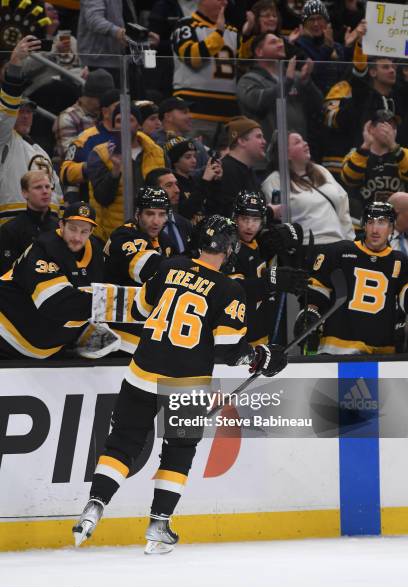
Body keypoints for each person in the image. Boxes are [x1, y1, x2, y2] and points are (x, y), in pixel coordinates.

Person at [73, 214, 288, 553]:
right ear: (230, 248)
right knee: (178, 451)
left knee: (122, 445)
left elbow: (143, 307)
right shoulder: (230, 289)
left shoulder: (169, 266)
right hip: (187, 384)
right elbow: (229, 350)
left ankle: (94, 505)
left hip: (141, 372)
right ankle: (159, 525)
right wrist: (262, 357)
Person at [0, 203, 124, 359]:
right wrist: (122, 304)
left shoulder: (96, 252)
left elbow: (88, 296)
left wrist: (94, 326)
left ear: (91, 232)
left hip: (44, 348)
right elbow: (54, 302)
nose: (77, 238)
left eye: (84, 231)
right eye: (73, 229)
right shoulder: (44, 248)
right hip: (5, 333)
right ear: (61, 224)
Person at [295, 202, 408, 355]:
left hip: (381, 352)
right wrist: (310, 313)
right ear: (364, 225)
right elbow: (318, 288)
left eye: (381, 222)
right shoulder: (340, 252)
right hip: (337, 349)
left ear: (391, 227)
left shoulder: (400, 261)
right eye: (370, 222)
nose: (375, 229)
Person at [228, 190, 308, 344]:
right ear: (235, 218)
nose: (250, 226)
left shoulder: (257, 243)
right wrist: (270, 281)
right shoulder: (228, 248)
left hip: (259, 331)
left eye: (255, 220)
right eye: (244, 219)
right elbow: (232, 290)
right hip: (237, 337)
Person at [0, 35, 63, 227]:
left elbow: (56, 192)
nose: (26, 116)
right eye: (21, 111)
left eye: (29, 112)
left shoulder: (39, 150)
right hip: (13, 225)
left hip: (47, 225)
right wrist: (16, 64)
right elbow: (5, 114)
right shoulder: (5, 138)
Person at [103, 186, 174, 353]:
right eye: (150, 214)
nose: (156, 221)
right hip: (116, 327)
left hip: (141, 322)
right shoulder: (123, 235)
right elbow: (148, 270)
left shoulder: (164, 240)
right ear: (137, 214)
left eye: (162, 214)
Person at [87, 103, 165, 242]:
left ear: (139, 125)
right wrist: (116, 169)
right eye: (118, 120)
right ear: (112, 126)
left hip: (151, 232)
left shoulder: (156, 153)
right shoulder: (100, 154)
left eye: (130, 120)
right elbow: (102, 198)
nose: (123, 124)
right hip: (112, 235)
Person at [262, 132, 354, 243]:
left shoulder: (321, 170)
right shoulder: (274, 181)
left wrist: (350, 241)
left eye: (303, 140)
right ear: (285, 154)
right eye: (297, 142)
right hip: (306, 248)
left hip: (339, 244)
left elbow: (343, 206)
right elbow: (277, 222)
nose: (305, 143)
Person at [171, 0, 243, 142]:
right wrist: (218, 34)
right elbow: (192, 58)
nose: (225, 2)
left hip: (229, 115)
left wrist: (249, 33)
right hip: (195, 112)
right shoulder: (186, 25)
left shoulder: (233, 31)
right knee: (193, 160)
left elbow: (244, 65)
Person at [237, 32, 322, 144]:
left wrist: (307, 81)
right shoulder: (248, 80)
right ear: (259, 51)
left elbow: (318, 105)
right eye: (273, 42)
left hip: (296, 149)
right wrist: (287, 83)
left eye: (281, 42)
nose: (281, 45)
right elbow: (258, 103)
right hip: (268, 151)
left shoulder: (295, 76)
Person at [59, 88, 120, 204]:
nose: (125, 111)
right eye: (119, 107)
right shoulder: (86, 138)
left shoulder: (135, 137)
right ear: (106, 112)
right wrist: (92, 167)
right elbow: (65, 172)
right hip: (94, 206)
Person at [342, 110, 408, 215]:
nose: (391, 131)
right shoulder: (357, 154)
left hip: (397, 223)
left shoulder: (403, 153)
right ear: (371, 128)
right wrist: (365, 146)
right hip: (364, 222)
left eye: (394, 127)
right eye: (387, 125)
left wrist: (394, 146)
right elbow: (349, 179)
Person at [206, 116, 267, 218]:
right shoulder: (224, 170)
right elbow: (231, 213)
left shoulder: (248, 170)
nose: (264, 141)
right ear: (242, 141)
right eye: (258, 136)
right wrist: (270, 212)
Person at [0, 171, 59, 275]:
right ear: (25, 193)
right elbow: (7, 273)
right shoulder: (10, 230)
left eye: (47, 186)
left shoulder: (60, 227)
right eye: (38, 187)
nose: (45, 191)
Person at [53, 69, 115, 159]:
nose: (104, 104)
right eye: (101, 100)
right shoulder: (68, 118)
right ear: (88, 96)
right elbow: (70, 156)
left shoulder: (108, 115)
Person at [163, 136, 223, 221]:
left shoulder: (195, 181)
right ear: (175, 161)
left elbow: (214, 210)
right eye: (188, 157)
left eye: (194, 156)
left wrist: (216, 182)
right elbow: (184, 212)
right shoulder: (172, 183)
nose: (194, 160)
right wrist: (205, 181)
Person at [145, 167, 194, 254]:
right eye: (169, 185)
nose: (177, 190)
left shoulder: (185, 224)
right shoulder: (144, 227)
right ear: (154, 190)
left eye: (176, 184)